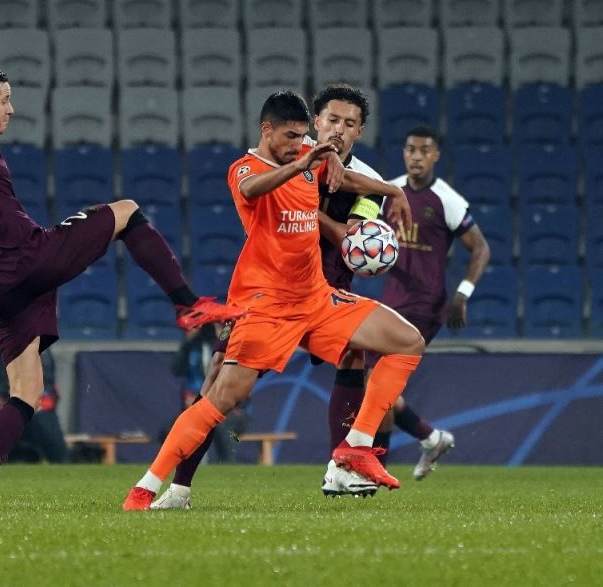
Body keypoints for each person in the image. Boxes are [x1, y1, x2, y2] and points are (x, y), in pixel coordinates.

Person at [0, 64, 247, 509]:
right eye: (5, 100)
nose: (11, 109)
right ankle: (187, 305)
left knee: (25, 392)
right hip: (26, 260)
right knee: (127, 211)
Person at [123, 90, 424, 510]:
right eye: (290, 137)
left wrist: (394, 192)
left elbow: (349, 180)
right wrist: (303, 164)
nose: (297, 145)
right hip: (266, 306)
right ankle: (151, 488)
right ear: (267, 130)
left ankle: (354, 447)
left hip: (317, 299)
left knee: (407, 341)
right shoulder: (246, 168)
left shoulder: (307, 156)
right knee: (219, 397)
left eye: (302, 138)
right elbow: (251, 188)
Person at [365, 125, 490, 480]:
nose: (416, 156)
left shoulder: (446, 199)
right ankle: (430, 438)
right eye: (410, 149)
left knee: (377, 381)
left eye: (424, 150)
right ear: (404, 153)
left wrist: (462, 294)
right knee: (374, 383)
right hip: (391, 300)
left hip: (425, 305)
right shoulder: (390, 192)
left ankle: (377, 468)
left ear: (435, 156)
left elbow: (480, 248)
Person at [0, 332, 67, 463]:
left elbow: (46, 381)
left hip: (36, 410)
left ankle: (62, 471)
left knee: (51, 438)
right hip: (4, 408)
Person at [169, 324, 249, 463]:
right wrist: (187, 342)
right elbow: (177, 370)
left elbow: (243, 392)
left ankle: (228, 467)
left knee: (219, 427)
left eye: (219, 325)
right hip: (199, 410)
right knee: (169, 428)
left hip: (232, 414)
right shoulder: (194, 348)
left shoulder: (234, 350)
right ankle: (185, 468)